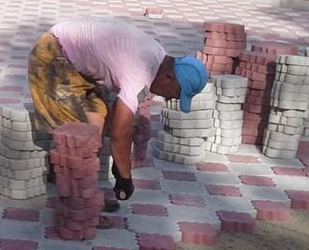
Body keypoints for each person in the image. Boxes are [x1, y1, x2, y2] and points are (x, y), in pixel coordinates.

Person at [28, 18, 208, 209]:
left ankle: (73, 183)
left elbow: (117, 118)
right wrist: (124, 176)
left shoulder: (158, 57)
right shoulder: (140, 74)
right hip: (54, 55)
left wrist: (119, 161)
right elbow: (119, 135)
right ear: (168, 77)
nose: (169, 98)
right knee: (78, 136)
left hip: (72, 61)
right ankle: (78, 205)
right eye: (175, 93)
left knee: (97, 120)